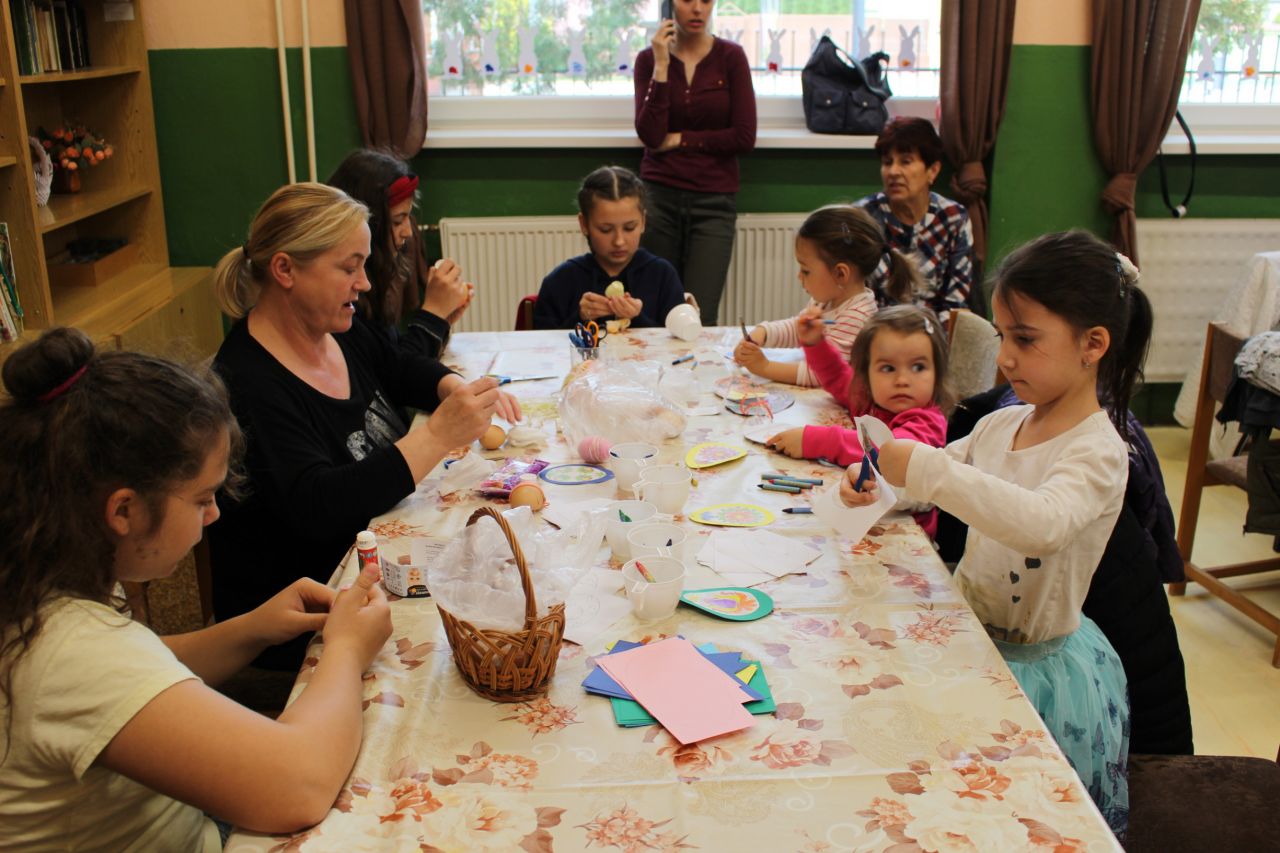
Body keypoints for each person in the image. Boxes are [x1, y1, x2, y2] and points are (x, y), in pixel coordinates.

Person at [0, 327, 392, 848]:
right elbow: (300, 783)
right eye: (203, 499)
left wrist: (252, 629)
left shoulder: (52, 569)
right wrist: (346, 650)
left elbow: (142, 667)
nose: (214, 516)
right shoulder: (68, 649)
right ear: (123, 510)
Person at [842, 230, 1151, 833]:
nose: (1005, 358)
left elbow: (1043, 523)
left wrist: (924, 467)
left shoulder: (1098, 451)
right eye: (1003, 336)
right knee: (955, 805)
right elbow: (931, 483)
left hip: (1039, 675)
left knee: (1027, 820)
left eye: (1025, 339)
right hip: (971, 643)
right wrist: (876, 485)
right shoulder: (1001, 424)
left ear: (1093, 345)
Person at [207, 183, 518, 669]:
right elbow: (320, 505)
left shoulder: (335, 328)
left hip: (377, 572)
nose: (365, 283)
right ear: (285, 270)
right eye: (349, 268)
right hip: (308, 629)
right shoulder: (246, 384)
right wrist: (437, 436)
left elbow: (399, 366)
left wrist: (454, 387)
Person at [766, 304, 951, 536]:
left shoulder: (928, 421)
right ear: (866, 374)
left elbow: (888, 452)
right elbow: (837, 376)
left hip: (902, 531)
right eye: (888, 368)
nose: (902, 380)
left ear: (937, 373)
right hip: (864, 516)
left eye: (918, 367)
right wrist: (815, 344)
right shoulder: (873, 398)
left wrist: (817, 440)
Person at [634, 0, 757, 326]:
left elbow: (744, 136)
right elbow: (651, 135)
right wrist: (662, 65)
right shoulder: (648, 60)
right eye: (688, 0)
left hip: (713, 203)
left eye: (706, 0)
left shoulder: (731, 57)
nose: (698, 9)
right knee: (654, 313)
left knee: (699, 316)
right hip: (659, 198)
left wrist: (680, 139)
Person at [732, 205, 918, 387]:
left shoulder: (857, 317)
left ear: (840, 274)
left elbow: (821, 375)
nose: (799, 276)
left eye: (806, 270)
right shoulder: (827, 301)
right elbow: (799, 330)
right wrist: (763, 333)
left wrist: (764, 367)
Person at [327, 148, 472, 359]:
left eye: (408, 218)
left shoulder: (376, 278)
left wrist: (442, 320)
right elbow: (395, 372)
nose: (408, 232)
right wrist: (433, 313)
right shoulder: (347, 298)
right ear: (368, 225)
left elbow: (392, 353)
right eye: (397, 221)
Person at [533, 165, 685, 330]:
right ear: (584, 224)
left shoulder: (662, 276)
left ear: (643, 221)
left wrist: (637, 318)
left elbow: (678, 339)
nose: (619, 241)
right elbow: (540, 342)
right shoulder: (561, 281)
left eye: (629, 228)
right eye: (605, 230)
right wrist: (580, 318)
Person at [858, 116, 974, 322]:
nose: (893, 171)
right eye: (887, 162)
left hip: (934, 333)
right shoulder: (864, 217)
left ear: (933, 170)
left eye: (905, 161)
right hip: (876, 331)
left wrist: (928, 337)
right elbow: (855, 299)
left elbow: (955, 304)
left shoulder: (954, 218)